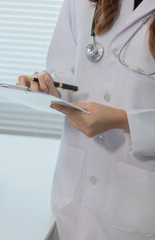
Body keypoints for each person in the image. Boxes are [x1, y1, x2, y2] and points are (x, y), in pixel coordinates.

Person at [17, 0, 155, 239]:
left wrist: (124, 120)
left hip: (139, 200)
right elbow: (68, 74)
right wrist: (51, 89)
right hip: (73, 196)